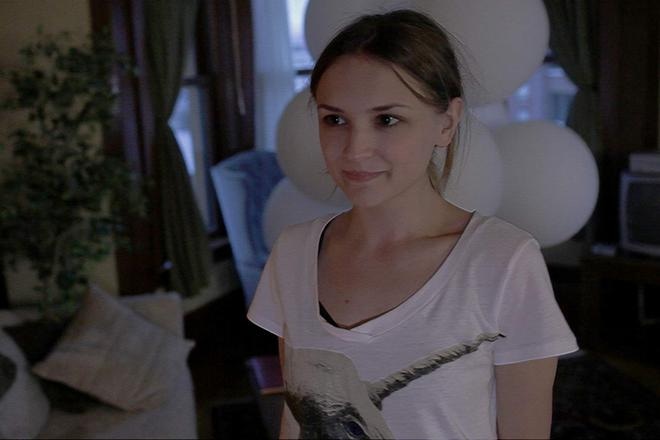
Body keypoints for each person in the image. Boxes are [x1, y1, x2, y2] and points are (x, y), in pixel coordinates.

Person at [248, 9, 578, 439]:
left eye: (386, 120)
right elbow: (296, 420)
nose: (355, 150)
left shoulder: (502, 261)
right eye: (335, 120)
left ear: (447, 123)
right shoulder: (294, 252)